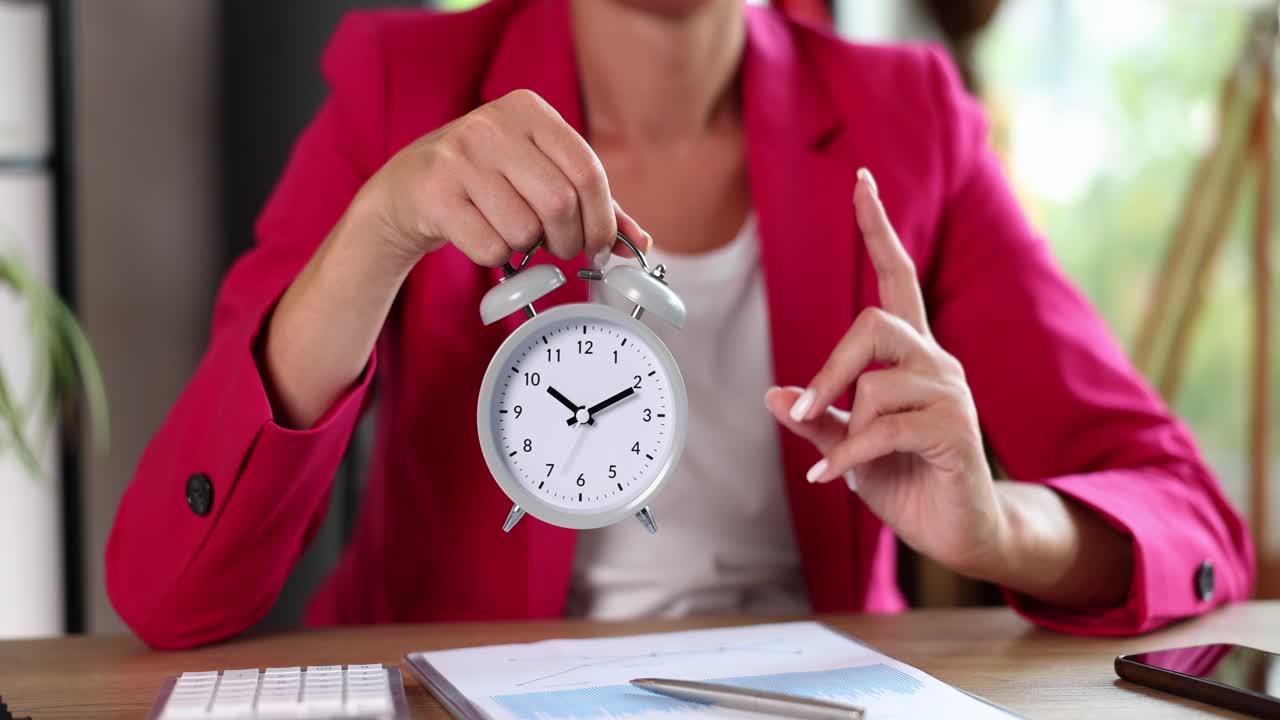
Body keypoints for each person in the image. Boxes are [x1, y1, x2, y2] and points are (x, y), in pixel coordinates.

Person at [106, 0, 1253, 649]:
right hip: (452, 684)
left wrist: (995, 528)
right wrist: (377, 231)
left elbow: (1187, 518)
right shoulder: (408, 84)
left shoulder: (908, 122)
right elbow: (169, 587)